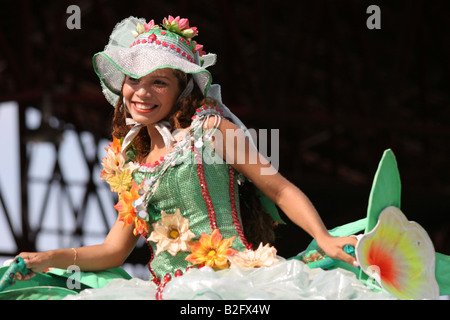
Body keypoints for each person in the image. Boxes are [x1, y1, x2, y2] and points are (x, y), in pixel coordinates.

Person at [5, 16, 395, 300]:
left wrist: (323, 238)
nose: (141, 93)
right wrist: (46, 258)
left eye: (159, 82)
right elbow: (114, 250)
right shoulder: (130, 165)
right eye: (133, 80)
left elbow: (279, 189)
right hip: (164, 293)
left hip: (232, 287)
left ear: (182, 91)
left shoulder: (212, 131)